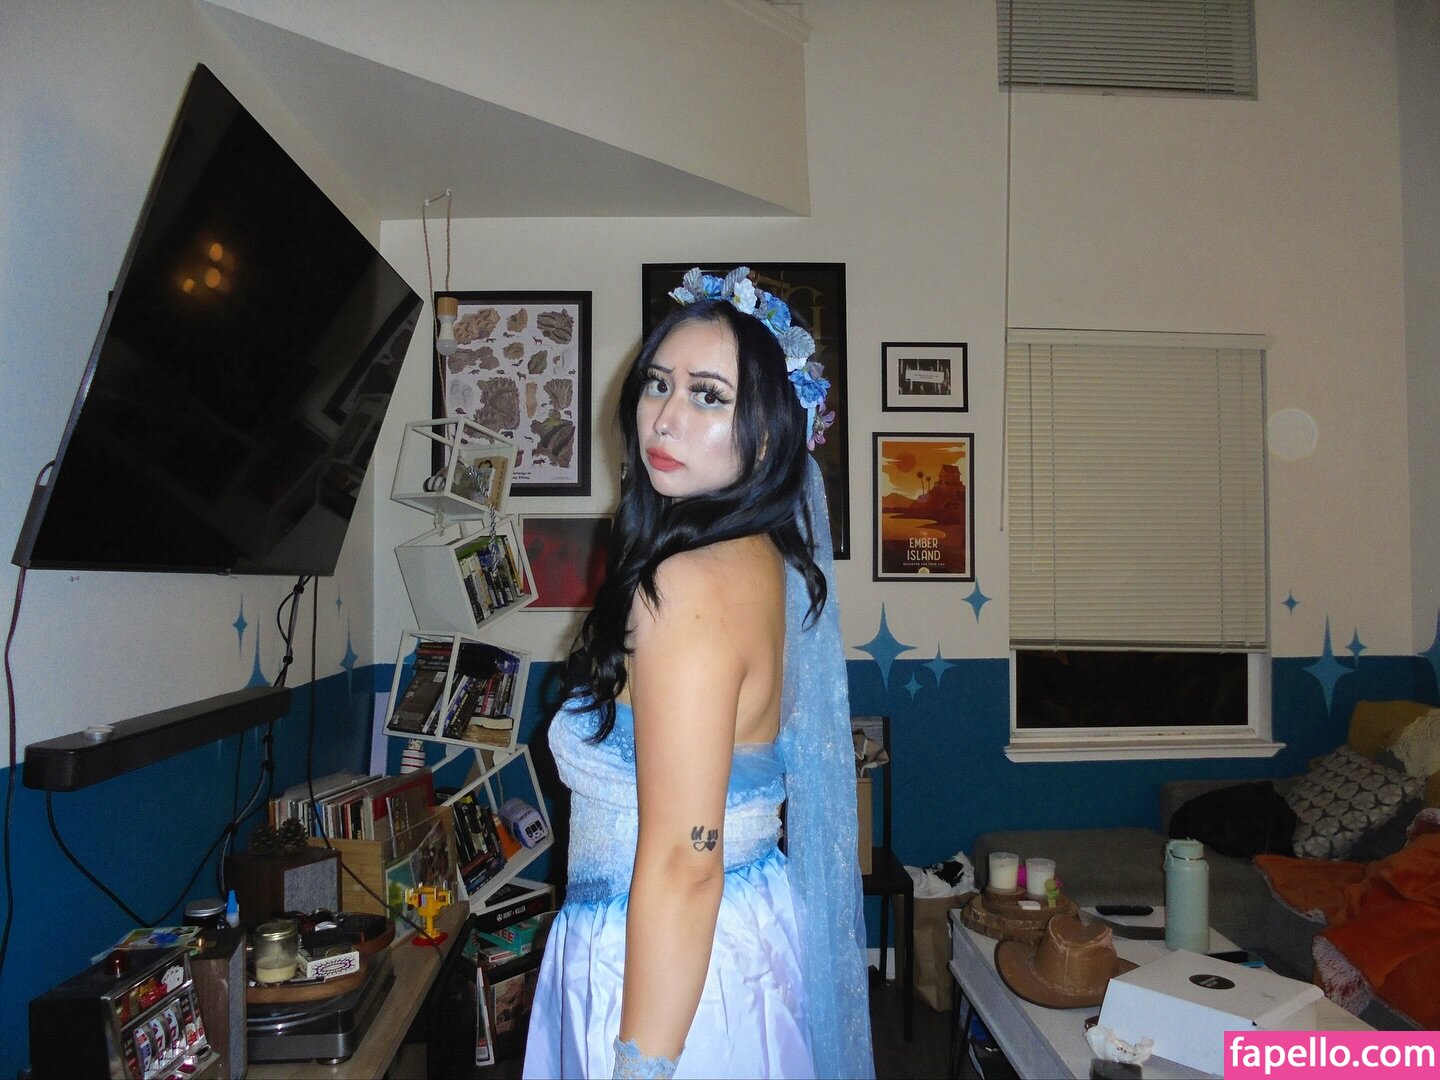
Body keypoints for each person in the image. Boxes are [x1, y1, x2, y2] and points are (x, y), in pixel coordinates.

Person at [523, 268, 873, 1079]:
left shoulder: (686, 585)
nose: (666, 416)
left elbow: (687, 859)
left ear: (767, 436)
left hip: (667, 974)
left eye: (709, 396)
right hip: (730, 937)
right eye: (658, 383)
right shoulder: (760, 559)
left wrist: (641, 1065)